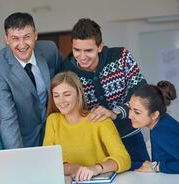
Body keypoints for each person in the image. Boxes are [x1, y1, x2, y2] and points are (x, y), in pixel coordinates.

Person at [59, 18, 149, 169]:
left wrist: (115, 113)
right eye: (77, 50)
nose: (82, 56)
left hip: (130, 136)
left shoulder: (121, 57)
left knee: (143, 175)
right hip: (96, 144)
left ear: (100, 46)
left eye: (88, 50)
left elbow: (141, 94)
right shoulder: (65, 71)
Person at [0, 12, 61, 149]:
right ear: (7, 39)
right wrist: (16, 157)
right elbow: (7, 118)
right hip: (20, 136)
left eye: (27, 37)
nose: (22, 44)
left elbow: (65, 83)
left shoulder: (50, 50)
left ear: (35, 35)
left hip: (53, 133)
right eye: (15, 38)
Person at [43, 71, 130, 182]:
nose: (61, 101)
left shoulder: (99, 119)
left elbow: (124, 159)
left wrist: (96, 168)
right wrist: (72, 168)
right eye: (56, 96)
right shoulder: (53, 120)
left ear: (79, 94)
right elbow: (48, 162)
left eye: (67, 94)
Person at [129, 81, 179, 174]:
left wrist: (156, 167)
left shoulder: (162, 132)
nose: (130, 116)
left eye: (137, 112)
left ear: (154, 115)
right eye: (130, 108)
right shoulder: (161, 123)